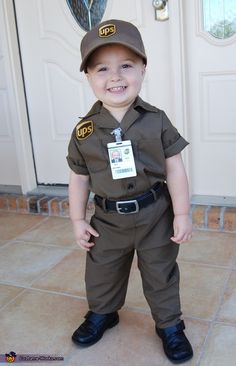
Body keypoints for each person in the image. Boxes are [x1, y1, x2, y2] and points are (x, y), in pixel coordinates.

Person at [67, 19, 193, 364]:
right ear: (89, 77)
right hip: (108, 219)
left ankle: (169, 325)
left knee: (160, 270)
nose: (115, 77)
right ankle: (103, 313)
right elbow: (78, 178)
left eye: (126, 65)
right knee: (101, 269)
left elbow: (175, 168)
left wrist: (181, 213)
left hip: (155, 215)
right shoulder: (84, 131)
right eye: (102, 69)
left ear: (142, 68)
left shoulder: (157, 120)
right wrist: (78, 219)